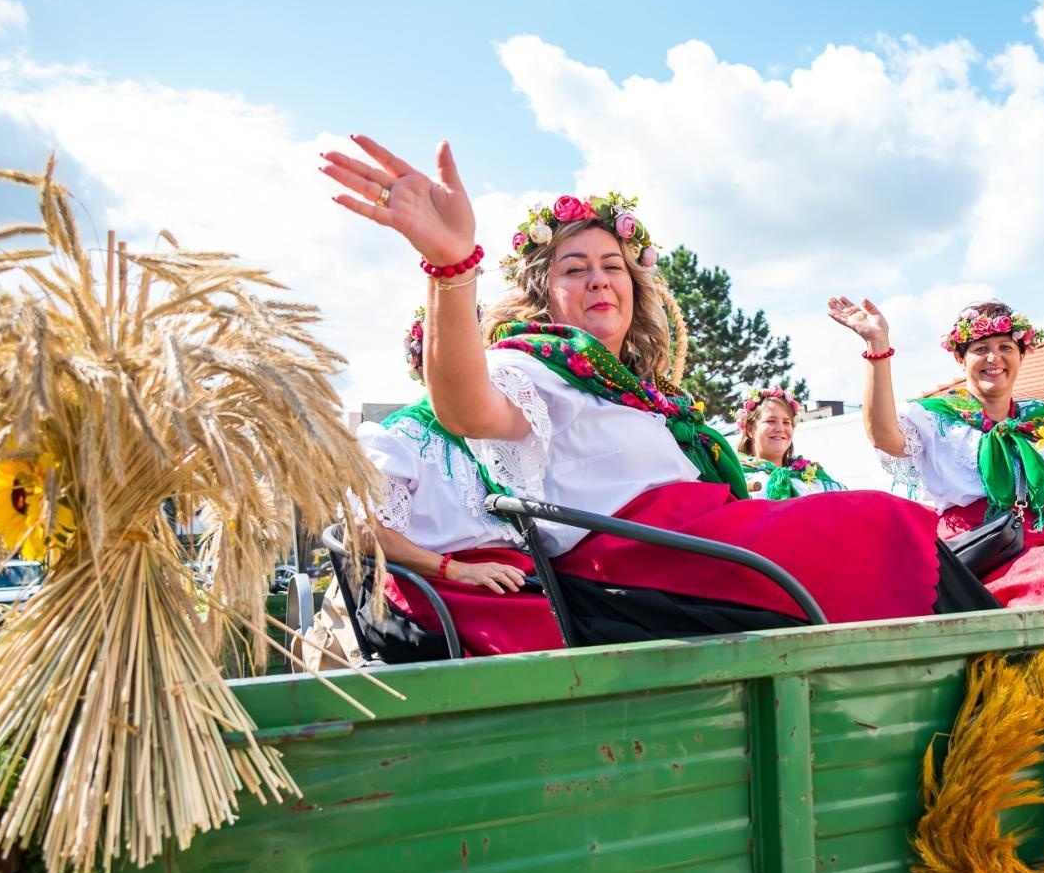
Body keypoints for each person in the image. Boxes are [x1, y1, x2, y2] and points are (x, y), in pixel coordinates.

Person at [322, 136, 978, 639]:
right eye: (573, 269)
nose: (598, 280)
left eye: (612, 267)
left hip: (697, 545)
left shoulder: (639, 392)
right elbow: (465, 407)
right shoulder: (533, 367)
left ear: (635, 289)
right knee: (879, 522)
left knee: (891, 532)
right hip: (633, 572)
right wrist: (451, 267)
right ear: (543, 295)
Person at [827, 296, 1044, 606]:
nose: (993, 357)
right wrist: (878, 347)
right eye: (980, 348)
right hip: (981, 558)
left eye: (1006, 347)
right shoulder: (935, 419)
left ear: (1022, 356)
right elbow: (883, 435)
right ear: (961, 360)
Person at [351, 334, 562, 657]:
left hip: (517, 576)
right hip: (443, 585)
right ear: (423, 369)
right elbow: (368, 533)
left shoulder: (503, 435)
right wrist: (456, 570)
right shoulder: (397, 439)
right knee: (548, 641)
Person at [735, 388, 845, 499]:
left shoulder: (814, 477)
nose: (780, 428)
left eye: (786, 422)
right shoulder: (736, 476)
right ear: (750, 429)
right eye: (771, 421)